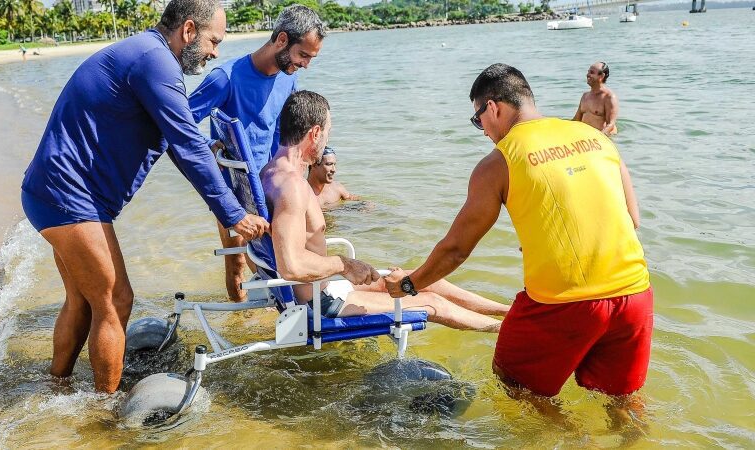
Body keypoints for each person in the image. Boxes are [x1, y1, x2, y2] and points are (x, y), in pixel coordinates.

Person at [20, 0, 268, 393]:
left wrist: (210, 150)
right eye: (213, 41)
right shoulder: (156, 61)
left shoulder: (147, 54)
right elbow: (186, 145)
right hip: (70, 197)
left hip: (52, 193)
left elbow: (178, 135)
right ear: (188, 30)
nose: (214, 53)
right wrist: (234, 214)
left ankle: (59, 386)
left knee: (82, 301)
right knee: (116, 301)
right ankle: (104, 413)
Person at [385, 64, 652, 401]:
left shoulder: (498, 162)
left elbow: (456, 249)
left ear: (493, 107)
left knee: (515, 385)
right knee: (623, 402)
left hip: (564, 302)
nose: (482, 131)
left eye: (477, 119)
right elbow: (632, 218)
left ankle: (575, 439)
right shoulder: (595, 136)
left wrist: (409, 285)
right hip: (635, 295)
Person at [262, 90, 509, 329]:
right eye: (328, 132)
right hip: (322, 303)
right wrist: (345, 265)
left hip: (323, 288)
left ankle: (508, 312)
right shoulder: (293, 186)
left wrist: (344, 267)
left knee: (422, 281)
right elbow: (292, 266)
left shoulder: (270, 173)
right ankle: (509, 331)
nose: (328, 139)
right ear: (315, 133)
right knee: (432, 303)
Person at [189, 5, 325, 302]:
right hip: (235, 189)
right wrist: (208, 147)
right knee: (238, 261)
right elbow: (180, 124)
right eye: (303, 55)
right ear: (282, 40)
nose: (305, 65)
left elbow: (289, 133)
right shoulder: (225, 78)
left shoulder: (288, 78)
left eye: (311, 58)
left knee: (283, 259)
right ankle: (240, 320)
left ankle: (275, 317)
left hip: (274, 186)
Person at [573, 61, 618, 136]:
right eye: (588, 72)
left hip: (601, 140)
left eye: (592, 72)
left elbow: (610, 125)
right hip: (586, 137)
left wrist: (599, 137)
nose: (588, 75)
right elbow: (576, 120)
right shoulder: (585, 96)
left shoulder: (608, 97)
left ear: (602, 76)